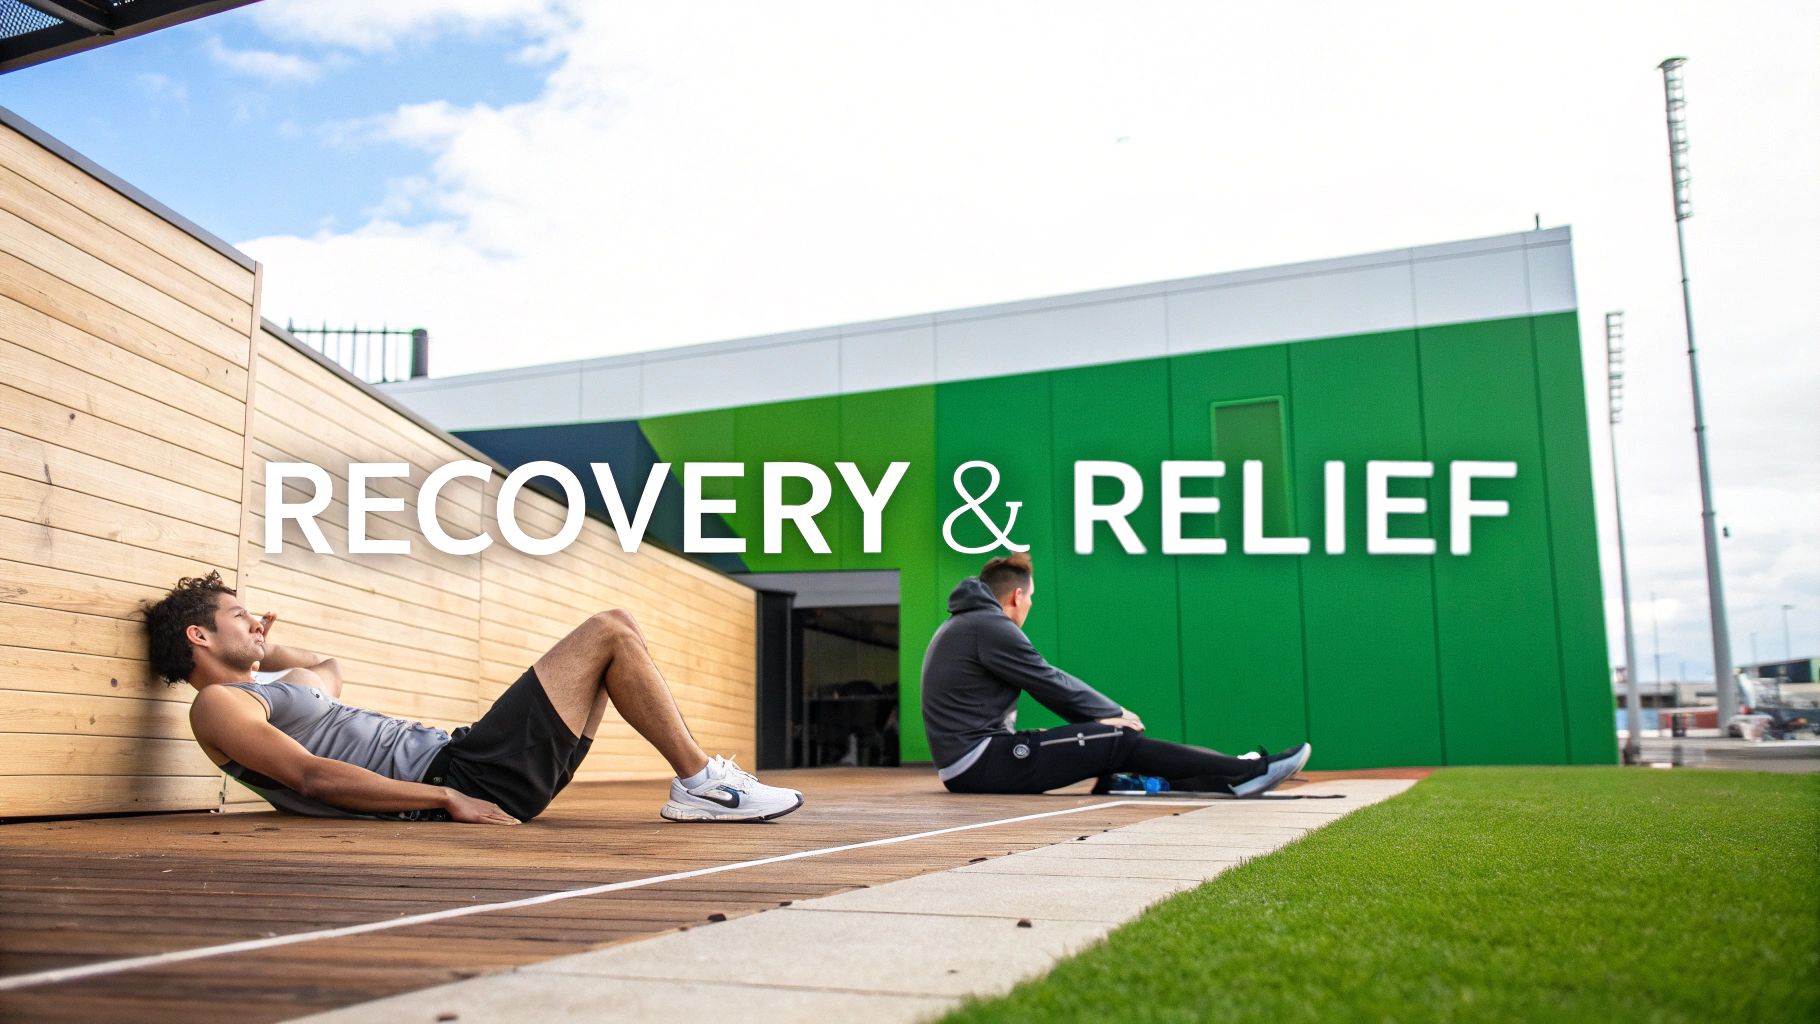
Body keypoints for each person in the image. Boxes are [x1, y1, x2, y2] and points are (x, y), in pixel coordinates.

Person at [144, 572, 802, 825]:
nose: (256, 621)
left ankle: (699, 781)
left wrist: (261, 642)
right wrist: (445, 797)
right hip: (456, 776)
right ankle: (700, 783)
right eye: (239, 615)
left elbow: (325, 665)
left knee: (619, 629)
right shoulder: (221, 707)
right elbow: (309, 777)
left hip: (466, 758)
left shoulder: (273, 692)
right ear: (198, 635)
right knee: (609, 630)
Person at [921, 553, 1311, 796]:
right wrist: (1110, 713)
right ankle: (1246, 772)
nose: (1030, 606)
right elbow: (1046, 679)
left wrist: (1093, 724)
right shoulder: (987, 626)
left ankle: (1218, 775)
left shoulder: (965, 625)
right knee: (1115, 736)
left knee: (1100, 741)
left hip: (976, 759)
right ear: (1017, 596)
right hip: (979, 763)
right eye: (1032, 598)